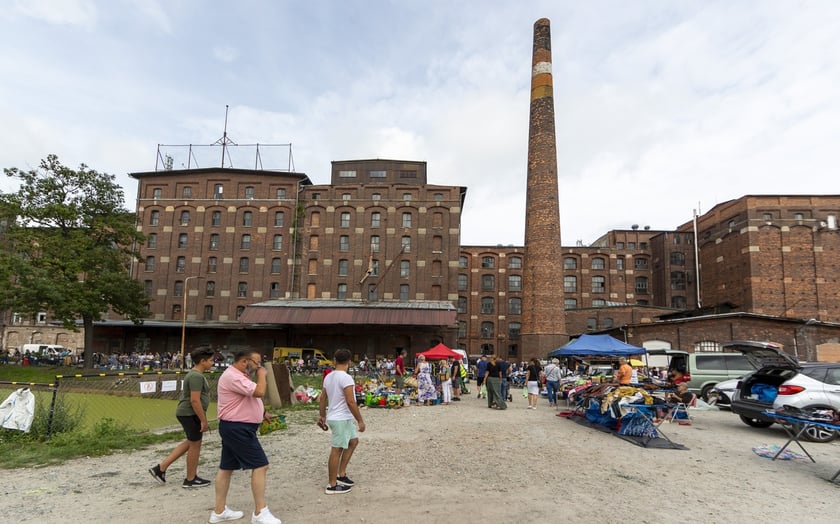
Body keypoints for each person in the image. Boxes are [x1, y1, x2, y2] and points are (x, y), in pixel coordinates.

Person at [209, 349, 282, 524]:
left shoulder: (240, 376)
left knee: (226, 467)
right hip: (238, 428)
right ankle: (260, 511)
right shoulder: (233, 376)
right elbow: (259, 392)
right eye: (257, 363)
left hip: (235, 427)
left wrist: (261, 412)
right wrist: (263, 375)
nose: (259, 366)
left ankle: (219, 511)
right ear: (244, 361)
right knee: (261, 465)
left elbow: (245, 399)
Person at [149, 347, 215, 488]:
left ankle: (160, 468)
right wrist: (203, 420)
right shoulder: (196, 376)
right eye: (210, 360)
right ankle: (190, 479)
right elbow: (195, 400)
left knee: (192, 442)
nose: (213, 363)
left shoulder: (196, 375)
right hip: (190, 414)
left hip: (189, 414)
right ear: (202, 361)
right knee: (195, 445)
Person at [318, 348, 366, 494]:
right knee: (337, 449)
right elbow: (350, 401)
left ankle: (341, 474)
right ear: (349, 362)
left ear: (334, 361)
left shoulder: (329, 377)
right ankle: (332, 485)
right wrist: (360, 420)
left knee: (353, 441)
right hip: (340, 418)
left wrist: (322, 415)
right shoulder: (346, 378)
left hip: (340, 416)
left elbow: (322, 398)